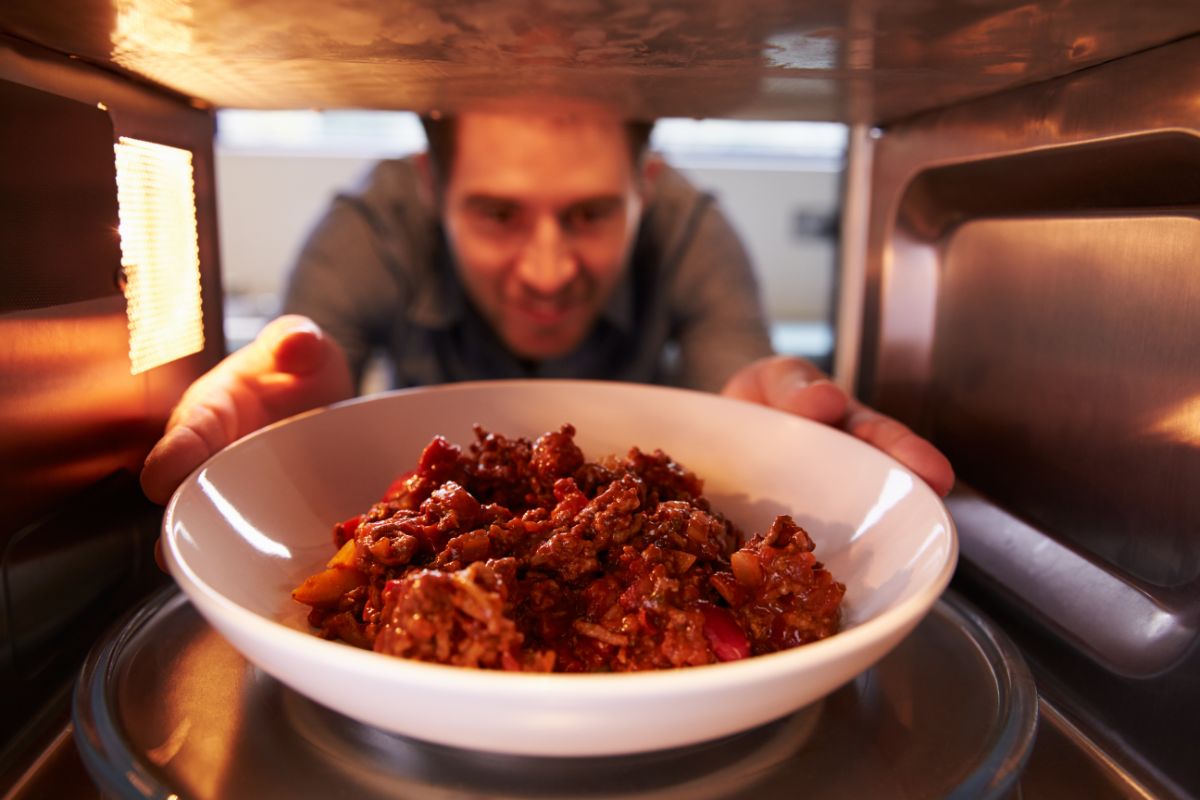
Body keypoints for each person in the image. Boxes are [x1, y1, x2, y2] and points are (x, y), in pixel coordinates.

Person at [139, 99, 953, 505]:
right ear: (433, 188)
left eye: (592, 214)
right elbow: (311, 378)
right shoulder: (367, 228)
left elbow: (738, 382)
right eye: (498, 214)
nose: (548, 269)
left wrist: (775, 432)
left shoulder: (693, 232)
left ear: (646, 188)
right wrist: (296, 435)